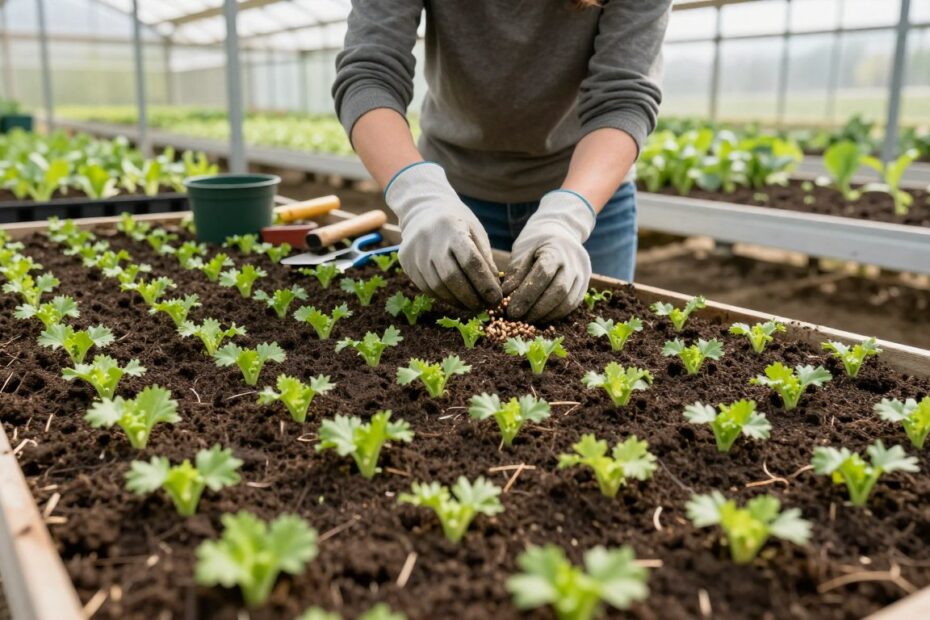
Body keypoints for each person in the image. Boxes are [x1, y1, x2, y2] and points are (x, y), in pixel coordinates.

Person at [333, 0, 670, 323]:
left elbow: (623, 98)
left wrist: (570, 216)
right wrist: (418, 196)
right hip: (450, 201)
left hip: (588, 193)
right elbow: (370, 73)